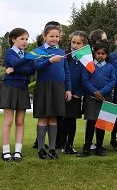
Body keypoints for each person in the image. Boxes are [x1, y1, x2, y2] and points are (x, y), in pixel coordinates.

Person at [32, 24, 72, 160]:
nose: (55, 39)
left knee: (54, 118)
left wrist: (68, 89)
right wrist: (49, 60)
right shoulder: (38, 51)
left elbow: (67, 72)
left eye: (57, 36)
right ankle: (41, 149)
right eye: (51, 36)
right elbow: (37, 67)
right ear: (44, 36)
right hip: (43, 87)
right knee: (43, 117)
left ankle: (53, 149)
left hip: (59, 88)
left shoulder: (62, 52)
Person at [1, 28, 35, 162]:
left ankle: (18, 151)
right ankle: (5, 151)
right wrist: (22, 63)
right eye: (22, 39)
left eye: (26, 39)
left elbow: (31, 70)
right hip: (9, 88)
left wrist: (14, 69)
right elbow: (14, 62)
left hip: (23, 89)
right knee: (8, 121)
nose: (25, 41)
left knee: (20, 121)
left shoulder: (27, 55)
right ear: (13, 39)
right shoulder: (9, 53)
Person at [79, 41, 116, 157]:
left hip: (105, 98)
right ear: (94, 53)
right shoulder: (89, 66)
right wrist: (95, 92)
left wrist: (102, 92)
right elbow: (85, 80)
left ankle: (100, 147)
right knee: (91, 122)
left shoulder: (110, 67)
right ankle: (87, 148)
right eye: (98, 53)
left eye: (103, 54)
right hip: (91, 98)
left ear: (106, 55)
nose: (100, 55)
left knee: (102, 124)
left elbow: (112, 81)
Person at [61, 31, 88, 155]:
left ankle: (70, 145)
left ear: (83, 45)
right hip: (64, 92)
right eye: (73, 42)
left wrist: (79, 91)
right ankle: (62, 144)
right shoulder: (64, 55)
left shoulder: (85, 58)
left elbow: (86, 77)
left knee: (72, 120)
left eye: (78, 43)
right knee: (63, 119)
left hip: (76, 94)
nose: (75, 45)